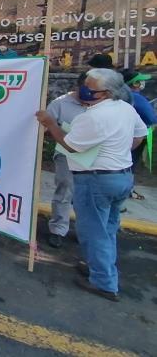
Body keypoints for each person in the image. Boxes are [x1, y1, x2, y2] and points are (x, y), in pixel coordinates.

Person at [36, 68, 147, 301]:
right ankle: (102, 268)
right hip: (122, 176)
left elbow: (71, 146)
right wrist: (117, 154)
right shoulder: (126, 108)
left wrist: (49, 123)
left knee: (93, 232)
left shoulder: (93, 117)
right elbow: (139, 136)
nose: (84, 88)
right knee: (107, 229)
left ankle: (104, 283)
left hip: (96, 180)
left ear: (106, 92)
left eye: (90, 86)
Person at [44, 73, 88, 248]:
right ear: (78, 86)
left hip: (95, 157)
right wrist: (61, 132)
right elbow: (45, 126)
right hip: (66, 155)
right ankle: (58, 229)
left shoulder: (104, 104)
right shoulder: (60, 103)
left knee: (87, 195)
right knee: (65, 191)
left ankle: (84, 231)